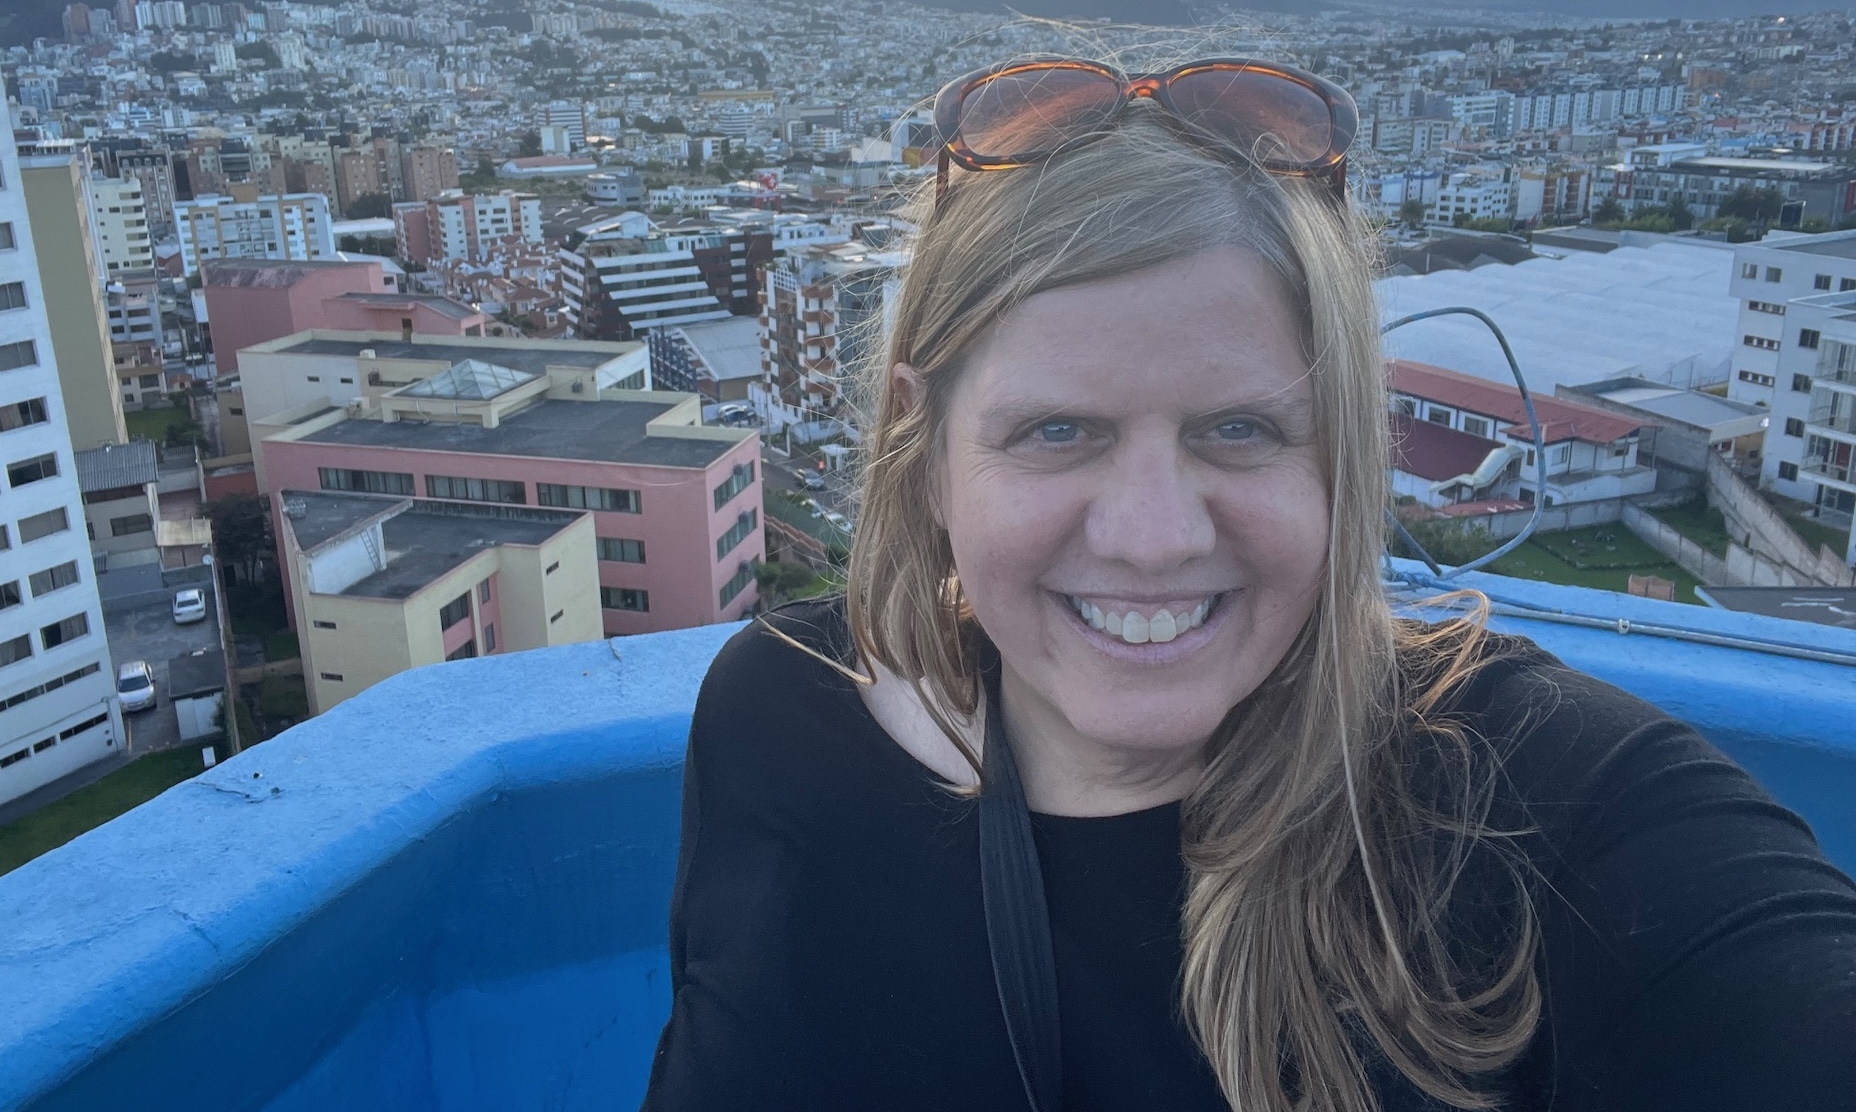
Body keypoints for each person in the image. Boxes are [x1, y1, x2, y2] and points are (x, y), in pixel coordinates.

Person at [641, 58, 1856, 1112]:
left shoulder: (1536, 811)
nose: (1155, 537)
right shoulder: (782, 714)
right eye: (1058, 430)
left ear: (1342, 449)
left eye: (1239, 429)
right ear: (929, 452)